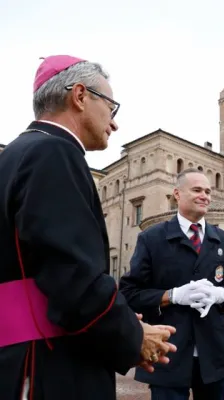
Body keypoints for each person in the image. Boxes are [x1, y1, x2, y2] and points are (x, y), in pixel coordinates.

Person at [0, 55, 176, 400]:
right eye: (111, 106)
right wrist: (132, 335)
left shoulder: (17, 154)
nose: (114, 123)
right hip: (48, 365)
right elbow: (72, 277)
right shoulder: (53, 152)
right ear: (80, 96)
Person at [119, 168, 224, 400]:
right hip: (168, 353)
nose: (205, 196)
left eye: (208, 191)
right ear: (177, 194)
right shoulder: (152, 239)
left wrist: (219, 295)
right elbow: (129, 293)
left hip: (213, 356)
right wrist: (172, 295)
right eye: (197, 190)